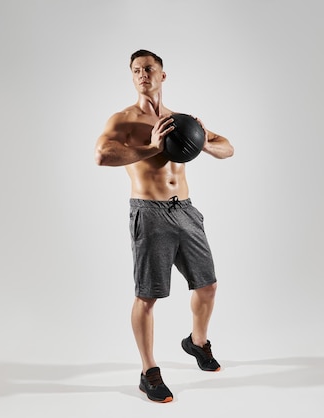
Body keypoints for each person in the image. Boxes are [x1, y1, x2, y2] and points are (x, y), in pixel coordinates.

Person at [94, 49, 234, 403]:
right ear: (132, 77)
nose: (144, 74)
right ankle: (148, 371)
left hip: (185, 209)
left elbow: (228, 147)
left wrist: (202, 143)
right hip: (150, 212)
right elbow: (102, 155)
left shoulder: (180, 119)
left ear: (163, 75)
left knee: (208, 286)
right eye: (137, 70)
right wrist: (150, 147)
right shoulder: (123, 120)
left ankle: (196, 342)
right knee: (148, 295)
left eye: (150, 69)